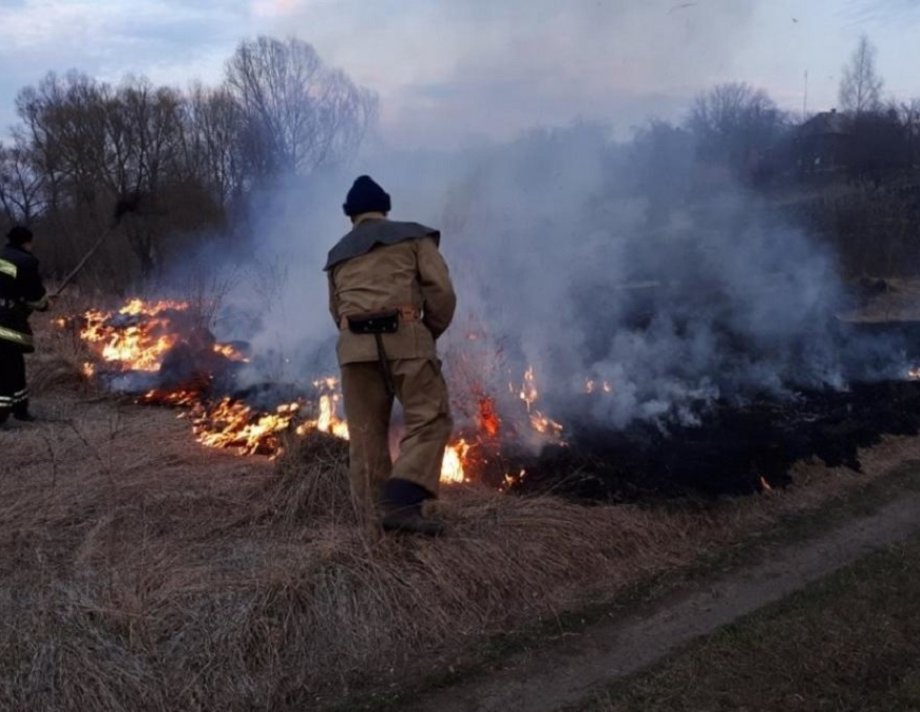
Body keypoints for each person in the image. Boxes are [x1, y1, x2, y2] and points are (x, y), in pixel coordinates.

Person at [325, 176, 456, 536]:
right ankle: (402, 498)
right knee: (430, 418)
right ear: (385, 208)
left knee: (365, 435)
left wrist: (358, 339)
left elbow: (337, 311)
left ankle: (372, 525)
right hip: (405, 338)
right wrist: (424, 334)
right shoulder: (414, 238)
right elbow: (441, 293)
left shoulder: (337, 255)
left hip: (355, 349)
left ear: (350, 215)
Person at [0, 226, 51, 425]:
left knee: (15, 363)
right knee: (7, 366)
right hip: (6, 322)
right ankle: (3, 413)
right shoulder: (26, 261)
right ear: (27, 242)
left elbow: (9, 286)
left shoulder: (2, 257)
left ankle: (21, 409)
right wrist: (46, 303)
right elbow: (35, 297)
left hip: (5, 316)